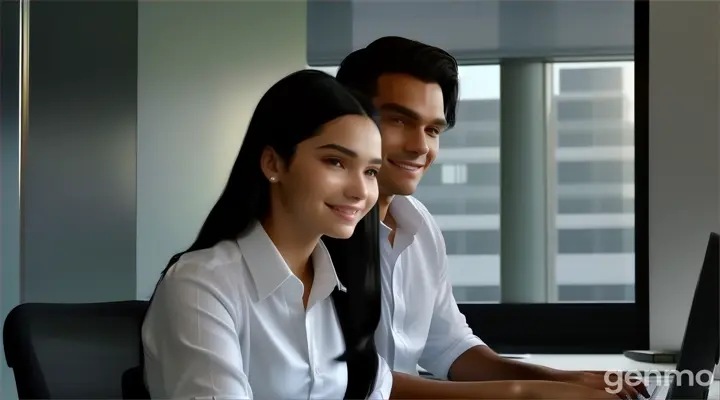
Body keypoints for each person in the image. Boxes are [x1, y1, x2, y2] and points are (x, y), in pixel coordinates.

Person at [335, 36, 648, 400]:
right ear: (350, 121)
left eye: (433, 130)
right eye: (400, 120)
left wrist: (560, 379)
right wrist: (526, 393)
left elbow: (450, 346)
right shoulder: (319, 234)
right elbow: (350, 381)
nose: (420, 146)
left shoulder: (418, 226)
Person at [141, 69, 392, 399]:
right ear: (273, 164)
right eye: (335, 162)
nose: (361, 190)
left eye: (371, 171)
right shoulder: (200, 285)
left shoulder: (345, 287)